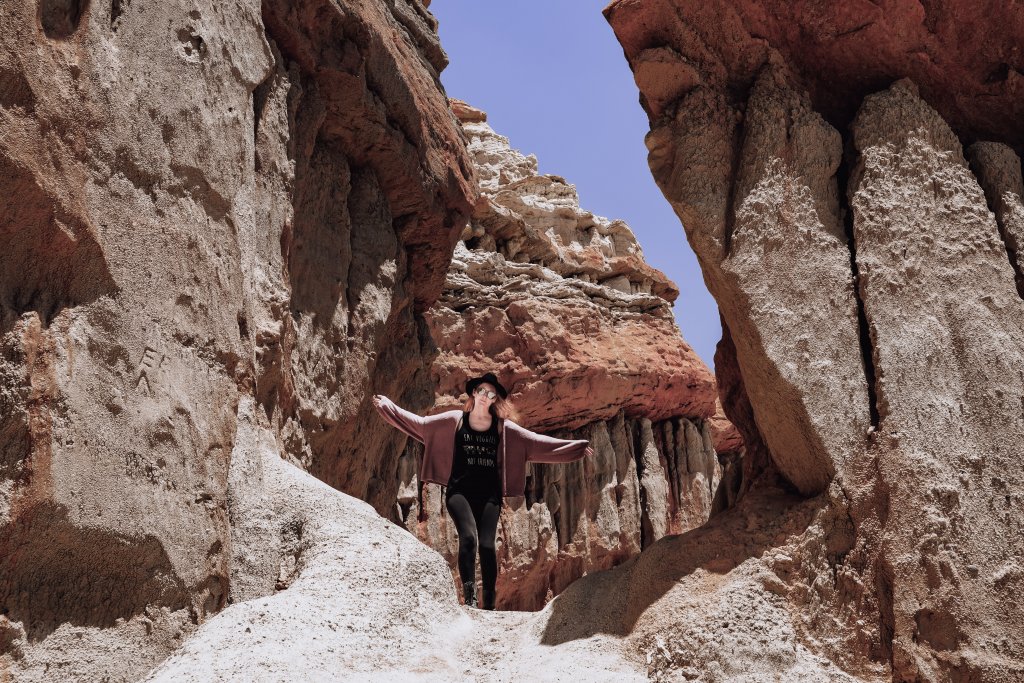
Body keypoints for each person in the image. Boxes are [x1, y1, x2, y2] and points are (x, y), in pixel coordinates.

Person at [372, 372, 593, 610]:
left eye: (491, 394)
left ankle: (488, 603)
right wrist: (388, 407)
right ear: (474, 393)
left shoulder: (503, 429)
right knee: (468, 538)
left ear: (494, 399)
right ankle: (469, 598)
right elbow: (422, 426)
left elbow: (536, 444)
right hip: (460, 493)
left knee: (487, 545)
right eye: (482, 391)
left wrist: (576, 448)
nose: (486, 396)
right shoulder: (455, 420)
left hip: (489, 496)